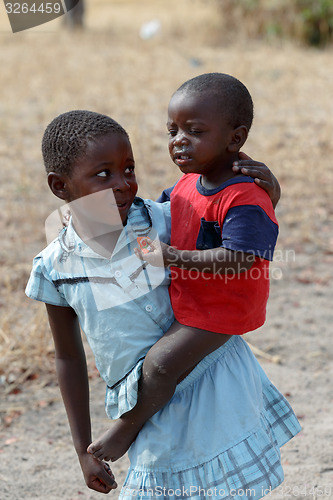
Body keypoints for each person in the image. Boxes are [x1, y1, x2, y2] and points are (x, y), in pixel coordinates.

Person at [24, 107, 291, 499]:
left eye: (128, 169)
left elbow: (240, 232)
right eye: (103, 174)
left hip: (212, 381)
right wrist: (82, 450)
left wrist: (270, 192)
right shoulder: (55, 268)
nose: (123, 184)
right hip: (147, 407)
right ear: (60, 186)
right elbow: (68, 359)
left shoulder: (166, 220)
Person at [86, 74, 301, 499]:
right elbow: (158, 215)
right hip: (194, 296)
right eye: (173, 131)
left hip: (223, 308)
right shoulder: (189, 182)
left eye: (195, 131)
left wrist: (172, 257)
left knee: (161, 364)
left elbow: (242, 257)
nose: (179, 141)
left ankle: (124, 432)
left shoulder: (243, 195)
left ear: (235, 138)